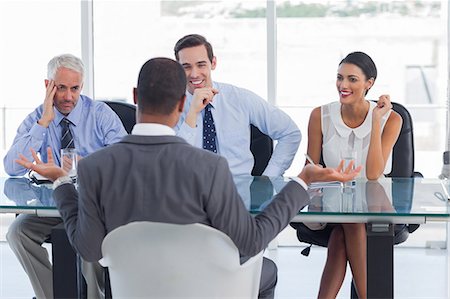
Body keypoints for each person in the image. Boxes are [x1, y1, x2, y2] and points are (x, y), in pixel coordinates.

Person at [15, 57, 361, 299]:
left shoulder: (94, 169)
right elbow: (250, 241)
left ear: (135, 98)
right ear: (183, 103)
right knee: (264, 270)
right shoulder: (210, 167)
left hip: (135, 290)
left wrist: (62, 183)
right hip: (208, 291)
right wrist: (301, 181)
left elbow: (88, 247)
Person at [3, 53, 127, 299]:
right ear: (48, 86)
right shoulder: (39, 116)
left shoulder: (99, 114)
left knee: (88, 238)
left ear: (82, 86)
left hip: (94, 209)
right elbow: (11, 166)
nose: (69, 97)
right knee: (17, 233)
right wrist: (43, 123)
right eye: (61, 88)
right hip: (57, 206)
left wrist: (88, 167)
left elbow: (125, 159)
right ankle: (54, 295)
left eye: (75, 88)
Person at [296, 51, 402, 299]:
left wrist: (376, 122)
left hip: (374, 206)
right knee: (349, 223)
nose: (343, 85)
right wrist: (327, 176)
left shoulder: (392, 120)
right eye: (339, 78)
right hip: (329, 203)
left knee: (342, 235)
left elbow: (374, 173)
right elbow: (309, 170)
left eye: (352, 79)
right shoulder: (319, 116)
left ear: (370, 83)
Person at [173, 34, 301, 176]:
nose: (194, 74)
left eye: (201, 65)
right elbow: (173, 161)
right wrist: (193, 112)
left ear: (213, 63)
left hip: (238, 193)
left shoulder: (240, 99)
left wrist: (268, 179)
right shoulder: (169, 109)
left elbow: (290, 132)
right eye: (186, 67)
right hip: (190, 193)